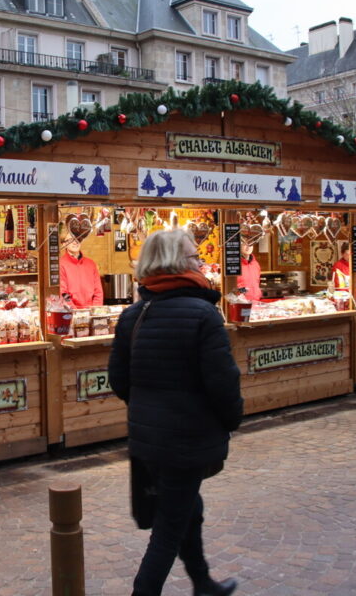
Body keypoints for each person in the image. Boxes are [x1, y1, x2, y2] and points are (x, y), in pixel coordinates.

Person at [108, 230, 243, 596]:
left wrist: (148, 409)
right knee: (169, 528)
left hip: (149, 439)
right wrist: (231, 419)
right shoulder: (203, 314)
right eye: (195, 256)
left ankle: (203, 582)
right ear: (177, 262)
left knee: (187, 509)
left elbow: (119, 380)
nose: (200, 262)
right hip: (187, 440)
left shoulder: (132, 316)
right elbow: (223, 382)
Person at [59, 235, 104, 308]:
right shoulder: (61, 264)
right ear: (64, 244)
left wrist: (95, 310)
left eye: (78, 239)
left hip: (91, 311)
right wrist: (74, 311)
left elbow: (98, 292)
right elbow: (63, 293)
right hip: (71, 311)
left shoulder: (91, 264)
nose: (75, 242)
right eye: (70, 240)